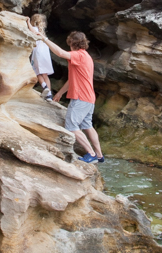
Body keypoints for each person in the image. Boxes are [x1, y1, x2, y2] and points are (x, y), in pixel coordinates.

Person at [33, 29, 104, 164]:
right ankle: (100, 155)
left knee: (71, 126)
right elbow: (72, 80)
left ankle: (92, 153)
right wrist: (60, 93)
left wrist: (43, 38)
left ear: (72, 43)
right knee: (88, 125)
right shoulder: (86, 56)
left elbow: (60, 53)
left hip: (81, 98)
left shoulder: (78, 55)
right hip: (89, 98)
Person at [26, 14, 54, 101]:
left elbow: (33, 31)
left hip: (38, 54)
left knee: (37, 72)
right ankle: (49, 95)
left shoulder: (35, 29)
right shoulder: (42, 32)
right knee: (45, 74)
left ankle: (44, 87)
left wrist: (27, 22)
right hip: (45, 54)